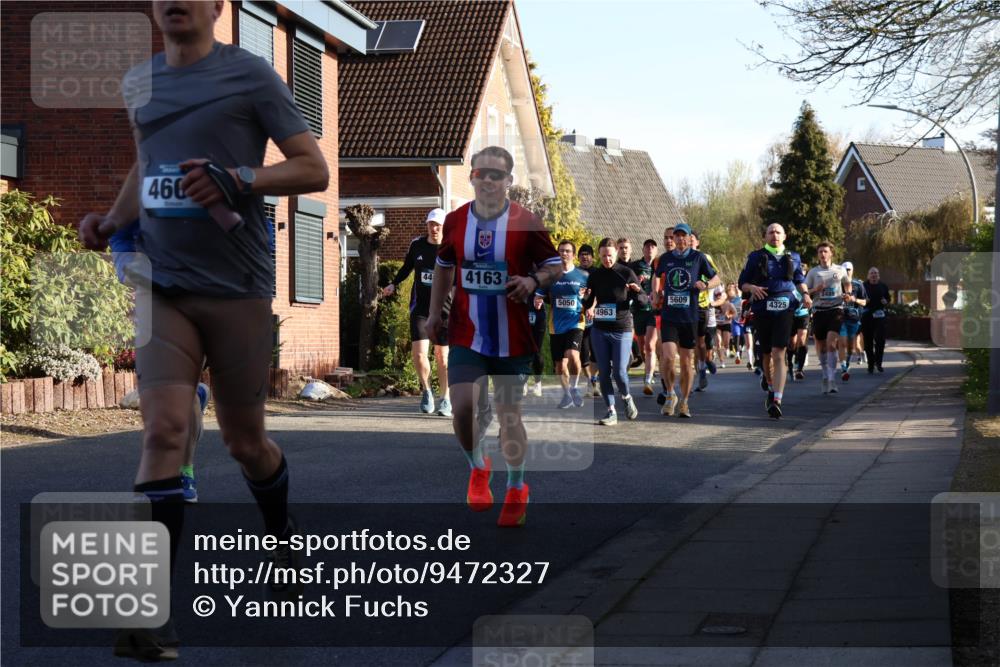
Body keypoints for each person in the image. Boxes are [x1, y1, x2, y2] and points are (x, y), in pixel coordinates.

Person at [78, 1, 329, 659]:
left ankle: (282, 536)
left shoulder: (252, 76)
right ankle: (146, 610)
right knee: (164, 428)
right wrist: (110, 220)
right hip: (165, 284)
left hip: (238, 288)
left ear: (219, 5)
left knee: (248, 443)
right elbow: (146, 166)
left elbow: (312, 167)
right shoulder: (141, 83)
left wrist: (243, 177)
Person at [425, 145, 563, 528]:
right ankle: (478, 466)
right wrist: (436, 313)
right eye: (480, 173)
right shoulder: (454, 221)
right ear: (471, 177)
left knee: (508, 416)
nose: (487, 180)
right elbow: (443, 267)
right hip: (467, 333)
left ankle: (517, 487)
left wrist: (533, 279)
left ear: (509, 181)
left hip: (513, 338)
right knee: (463, 407)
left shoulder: (526, 221)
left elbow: (555, 265)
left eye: (496, 175)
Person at [110, 221, 210, 503]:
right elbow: (120, 232)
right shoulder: (143, 183)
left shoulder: (214, 184)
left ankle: (184, 471)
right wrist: (127, 266)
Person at [382, 208, 453, 415]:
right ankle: (427, 391)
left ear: (444, 226)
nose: (434, 228)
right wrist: (393, 284)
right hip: (421, 308)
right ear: (427, 226)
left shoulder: (451, 248)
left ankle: (445, 398)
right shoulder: (417, 245)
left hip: (444, 310)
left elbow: (458, 278)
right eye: (431, 224)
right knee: (420, 354)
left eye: (438, 224)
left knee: (442, 357)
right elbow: (406, 268)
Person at [738, 224, 810, 419]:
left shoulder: (793, 256)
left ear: (784, 236)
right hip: (762, 309)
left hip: (785, 308)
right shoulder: (755, 257)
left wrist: (805, 294)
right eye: (771, 232)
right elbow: (741, 283)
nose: (774, 235)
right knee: (766, 354)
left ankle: (777, 399)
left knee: (780, 351)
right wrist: (752, 288)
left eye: (778, 232)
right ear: (765, 236)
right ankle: (770, 387)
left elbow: (799, 279)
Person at [653, 223, 719, 418]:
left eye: (684, 236)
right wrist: (655, 293)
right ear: (673, 238)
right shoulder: (665, 259)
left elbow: (717, 279)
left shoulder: (698, 258)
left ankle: (685, 401)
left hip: (690, 316)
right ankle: (670, 394)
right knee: (667, 357)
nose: (680, 239)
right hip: (669, 316)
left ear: (690, 239)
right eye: (677, 236)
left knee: (686, 360)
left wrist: (705, 284)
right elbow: (656, 277)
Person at [582, 238, 646, 424]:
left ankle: (626, 397)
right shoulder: (595, 275)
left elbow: (643, 301)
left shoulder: (626, 273)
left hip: (621, 328)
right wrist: (585, 299)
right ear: (599, 255)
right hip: (600, 329)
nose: (607, 260)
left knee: (618, 371)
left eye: (609, 256)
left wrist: (635, 291)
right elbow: (588, 303)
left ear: (616, 253)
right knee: (603, 371)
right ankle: (611, 411)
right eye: (603, 256)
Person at [535, 240, 588, 408]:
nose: (564, 254)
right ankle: (566, 394)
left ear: (573, 255)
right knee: (560, 365)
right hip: (556, 324)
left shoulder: (583, 276)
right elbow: (540, 293)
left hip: (576, 321)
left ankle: (574, 388)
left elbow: (594, 296)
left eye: (567, 251)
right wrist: (538, 300)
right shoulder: (552, 276)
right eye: (561, 251)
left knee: (573, 354)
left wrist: (590, 304)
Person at [805, 242, 853, 394]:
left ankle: (832, 378)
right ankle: (825, 374)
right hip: (819, 311)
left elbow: (847, 283)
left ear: (831, 253)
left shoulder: (840, 270)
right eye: (820, 252)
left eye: (825, 251)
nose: (823, 254)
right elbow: (805, 292)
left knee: (831, 343)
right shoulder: (813, 272)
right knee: (820, 344)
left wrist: (848, 294)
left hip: (835, 310)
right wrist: (815, 289)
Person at [630, 239, 659, 394]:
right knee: (642, 345)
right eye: (647, 246)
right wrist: (636, 283)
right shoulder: (635, 266)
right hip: (639, 309)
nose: (650, 249)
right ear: (643, 249)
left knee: (649, 345)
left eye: (653, 247)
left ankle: (648, 379)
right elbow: (628, 282)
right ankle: (647, 368)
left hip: (654, 310)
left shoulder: (660, 266)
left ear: (656, 250)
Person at [837, 261, 867, 381]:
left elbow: (864, 302)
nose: (847, 272)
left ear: (852, 270)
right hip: (839, 317)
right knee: (841, 343)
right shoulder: (837, 283)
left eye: (849, 269)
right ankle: (844, 368)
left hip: (854, 317)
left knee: (850, 345)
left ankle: (847, 364)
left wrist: (855, 299)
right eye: (845, 269)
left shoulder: (858, 284)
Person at [577, 244, 600, 395]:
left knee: (596, 352)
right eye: (582, 254)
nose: (585, 257)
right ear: (578, 257)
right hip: (579, 317)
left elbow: (600, 293)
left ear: (592, 257)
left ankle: (593, 382)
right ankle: (591, 380)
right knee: (583, 353)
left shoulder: (597, 273)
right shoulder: (575, 273)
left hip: (596, 317)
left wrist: (592, 306)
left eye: (588, 254)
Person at [861, 266, 891, 373]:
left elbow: (888, 299)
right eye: (872, 273)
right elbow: (859, 299)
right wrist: (864, 300)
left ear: (878, 275)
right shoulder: (863, 286)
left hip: (880, 315)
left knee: (880, 340)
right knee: (868, 342)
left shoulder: (883, 286)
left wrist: (885, 302)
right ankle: (870, 364)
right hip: (867, 315)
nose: (874, 275)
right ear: (868, 276)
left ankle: (879, 363)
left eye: (876, 273)